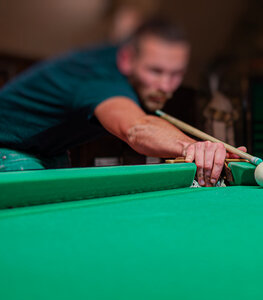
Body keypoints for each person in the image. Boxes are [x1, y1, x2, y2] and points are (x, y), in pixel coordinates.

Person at [0, 18, 244, 187]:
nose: (166, 85)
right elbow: (137, 128)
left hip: (48, 150)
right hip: (9, 149)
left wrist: (216, 152)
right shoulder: (98, 76)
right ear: (127, 60)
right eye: (156, 71)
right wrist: (197, 148)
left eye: (176, 74)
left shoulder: (136, 80)